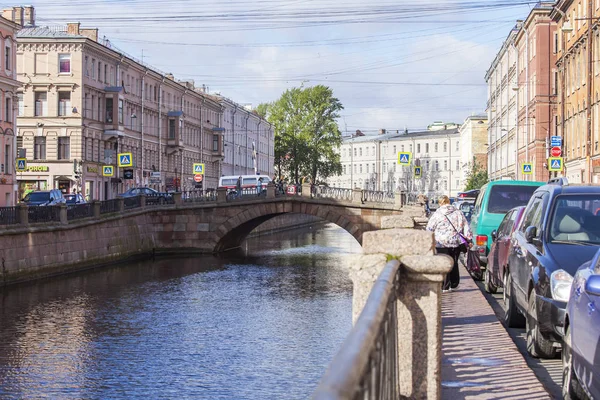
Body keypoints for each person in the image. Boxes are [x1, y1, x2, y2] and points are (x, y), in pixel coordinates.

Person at [426, 195, 473, 292]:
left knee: (443, 263)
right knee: (454, 262)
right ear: (449, 202)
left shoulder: (437, 214)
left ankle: (445, 285)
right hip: (455, 242)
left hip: (441, 243)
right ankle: (454, 283)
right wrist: (469, 239)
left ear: (440, 203)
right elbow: (466, 227)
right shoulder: (458, 213)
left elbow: (429, 228)